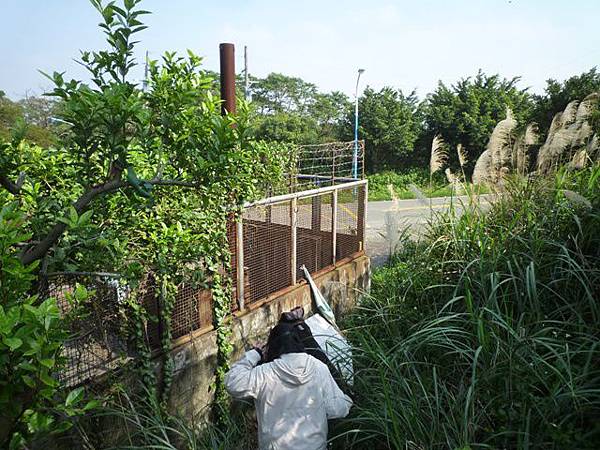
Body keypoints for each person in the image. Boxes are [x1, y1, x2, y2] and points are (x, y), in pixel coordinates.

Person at [225, 323, 352, 450]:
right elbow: (338, 409)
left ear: (272, 347)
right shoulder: (319, 368)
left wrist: (255, 353)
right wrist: (348, 399)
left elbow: (233, 382)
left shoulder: (265, 373)